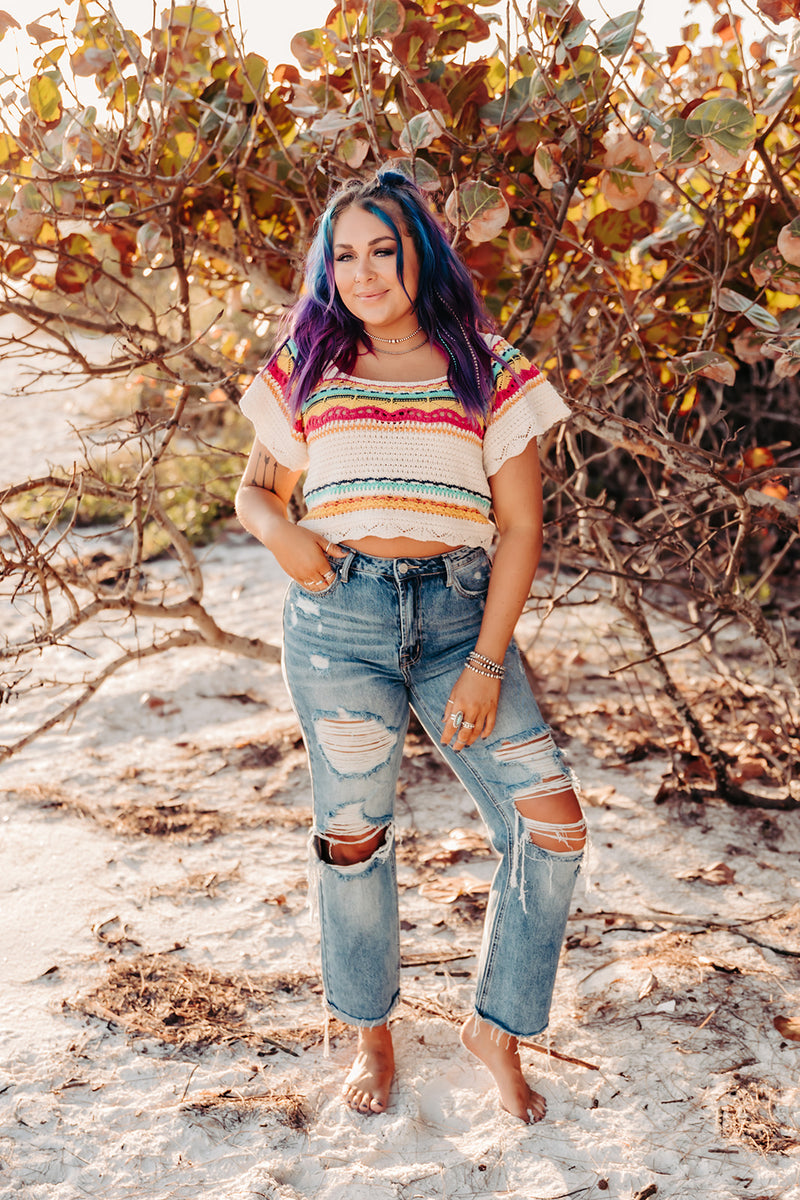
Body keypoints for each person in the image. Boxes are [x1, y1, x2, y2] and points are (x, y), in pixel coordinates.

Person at [235, 169, 585, 1124]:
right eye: (343, 255)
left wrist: (483, 660)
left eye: (382, 249)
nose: (363, 272)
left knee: (551, 827)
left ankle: (496, 1027)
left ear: (419, 253)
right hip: (338, 617)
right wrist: (285, 536)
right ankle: (371, 1034)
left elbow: (519, 527)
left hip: (458, 621)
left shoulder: (487, 365)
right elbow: (254, 490)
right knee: (354, 841)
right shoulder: (310, 361)